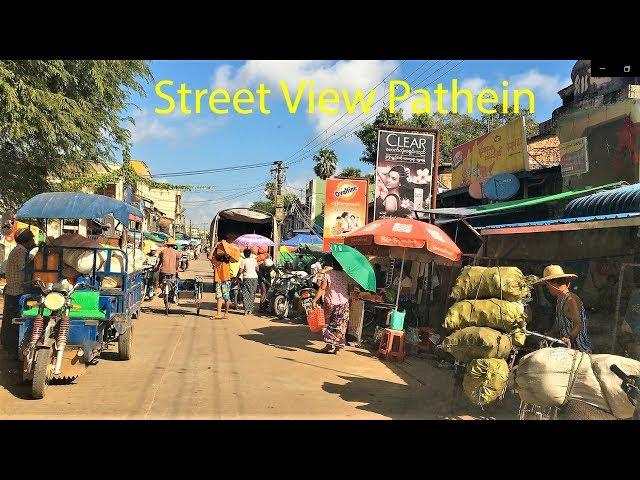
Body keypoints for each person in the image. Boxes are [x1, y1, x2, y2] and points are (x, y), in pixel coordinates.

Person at [538, 265, 593, 353]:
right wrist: (549, 334)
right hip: (566, 349)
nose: (547, 289)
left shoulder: (571, 300)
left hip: (579, 349)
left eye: (547, 285)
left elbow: (578, 325)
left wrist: (568, 338)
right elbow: (559, 323)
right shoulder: (559, 300)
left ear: (553, 284)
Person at [311, 258, 359, 354]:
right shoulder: (346, 276)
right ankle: (338, 349)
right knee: (341, 326)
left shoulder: (328, 274)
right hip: (344, 305)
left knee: (328, 325)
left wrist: (314, 300)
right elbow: (350, 289)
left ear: (333, 263)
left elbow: (322, 288)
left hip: (331, 303)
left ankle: (329, 346)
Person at [1, 228, 36, 358]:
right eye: (32, 240)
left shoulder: (22, 251)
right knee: (14, 321)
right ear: (26, 241)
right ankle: (12, 348)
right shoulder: (20, 251)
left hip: (14, 290)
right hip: (16, 292)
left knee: (11, 320)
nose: (33, 242)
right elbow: (26, 266)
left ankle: (10, 347)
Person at [210, 244, 232, 319]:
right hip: (219, 281)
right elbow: (210, 257)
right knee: (219, 297)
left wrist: (216, 247)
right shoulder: (216, 260)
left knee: (225, 297)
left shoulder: (226, 260)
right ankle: (219, 313)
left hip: (225, 281)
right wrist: (215, 248)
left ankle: (226, 313)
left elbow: (227, 254)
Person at [156, 238, 182, 302]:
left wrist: (157, 267)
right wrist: (176, 269)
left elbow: (160, 261)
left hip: (163, 271)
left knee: (160, 281)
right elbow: (177, 262)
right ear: (173, 245)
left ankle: (163, 290)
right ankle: (173, 294)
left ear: (167, 245)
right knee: (174, 282)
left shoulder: (163, 251)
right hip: (172, 271)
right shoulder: (176, 252)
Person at [238, 248, 259, 315]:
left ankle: (246, 310)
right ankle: (250, 310)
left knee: (245, 293)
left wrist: (237, 276)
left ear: (244, 254)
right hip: (254, 278)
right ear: (250, 254)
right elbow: (257, 269)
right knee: (252, 293)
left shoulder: (243, 261)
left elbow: (240, 271)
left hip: (247, 278)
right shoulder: (254, 260)